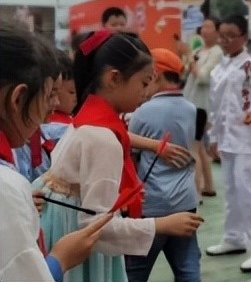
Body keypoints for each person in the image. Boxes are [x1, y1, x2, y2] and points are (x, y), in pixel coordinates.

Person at [38, 30, 203, 282]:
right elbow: (95, 229)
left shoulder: (85, 119)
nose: (146, 93)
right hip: (78, 247)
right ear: (114, 78)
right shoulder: (103, 138)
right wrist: (162, 225)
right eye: (144, 83)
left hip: (60, 231)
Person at [0, 25, 116, 282]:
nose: (50, 110)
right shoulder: (7, 188)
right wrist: (61, 258)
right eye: (48, 96)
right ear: (18, 99)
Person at [204, 15, 251, 272]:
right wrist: (213, 137)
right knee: (231, 191)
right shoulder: (218, 69)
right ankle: (234, 238)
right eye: (221, 35)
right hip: (225, 138)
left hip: (245, 138)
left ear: (243, 38)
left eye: (230, 36)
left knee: (248, 190)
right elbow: (214, 107)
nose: (224, 41)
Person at [125, 49, 200, 282]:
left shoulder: (142, 112)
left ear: (156, 75)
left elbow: (131, 156)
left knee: (135, 271)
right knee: (188, 269)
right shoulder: (191, 109)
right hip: (185, 201)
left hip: (151, 205)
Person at [181, 18, 223, 199]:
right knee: (200, 148)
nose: (204, 31)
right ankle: (208, 186)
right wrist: (189, 58)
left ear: (217, 31)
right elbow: (184, 72)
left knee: (194, 147)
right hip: (190, 102)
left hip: (201, 106)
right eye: (203, 27)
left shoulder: (217, 52)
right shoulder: (199, 51)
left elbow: (204, 76)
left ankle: (195, 192)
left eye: (209, 27)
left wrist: (191, 60)